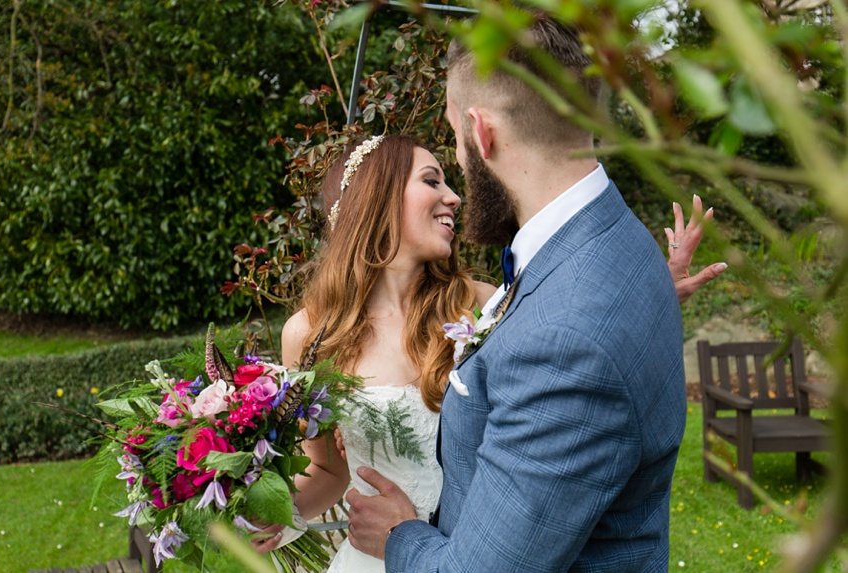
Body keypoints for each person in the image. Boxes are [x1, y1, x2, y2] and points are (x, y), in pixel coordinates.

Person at [251, 133, 721, 571]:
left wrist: (646, 296)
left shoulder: (479, 303)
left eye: (448, 181)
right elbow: (327, 470)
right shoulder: (311, 335)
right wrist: (270, 510)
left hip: (472, 550)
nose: (454, 197)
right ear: (376, 198)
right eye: (431, 181)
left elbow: (566, 351)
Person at [343, 14, 708, 572]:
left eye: (455, 139)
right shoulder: (616, 238)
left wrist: (398, 535)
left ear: (481, 132)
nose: (458, 169)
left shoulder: (565, 341)